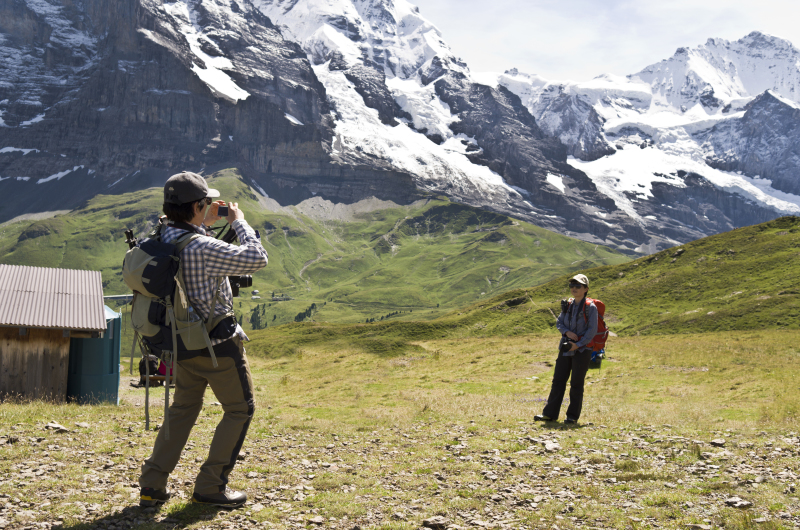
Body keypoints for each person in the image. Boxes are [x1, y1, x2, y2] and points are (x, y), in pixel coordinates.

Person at [139, 171, 268, 509]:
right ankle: (211, 485)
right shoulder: (203, 246)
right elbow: (257, 258)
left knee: (182, 409)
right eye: (206, 203)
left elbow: (187, 242)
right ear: (196, 205)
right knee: (240, 408)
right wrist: (239, 223)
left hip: (178, 344)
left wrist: (202, 220)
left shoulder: (157, 237)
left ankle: (152, 484)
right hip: (218, 346)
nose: (210, 207)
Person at [534, 274, 597, 425]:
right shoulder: (568, 304)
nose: (574, 288)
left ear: (586, 289)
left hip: (582, 350)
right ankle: (549, 414)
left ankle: (572, 417)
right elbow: (559, 323)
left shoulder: (590, 307)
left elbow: (592, 330)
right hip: (565, 348)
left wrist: (579, 344)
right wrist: (567, 332)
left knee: (576, 383)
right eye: (572, 286)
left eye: (578, 286)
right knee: (558, 381)